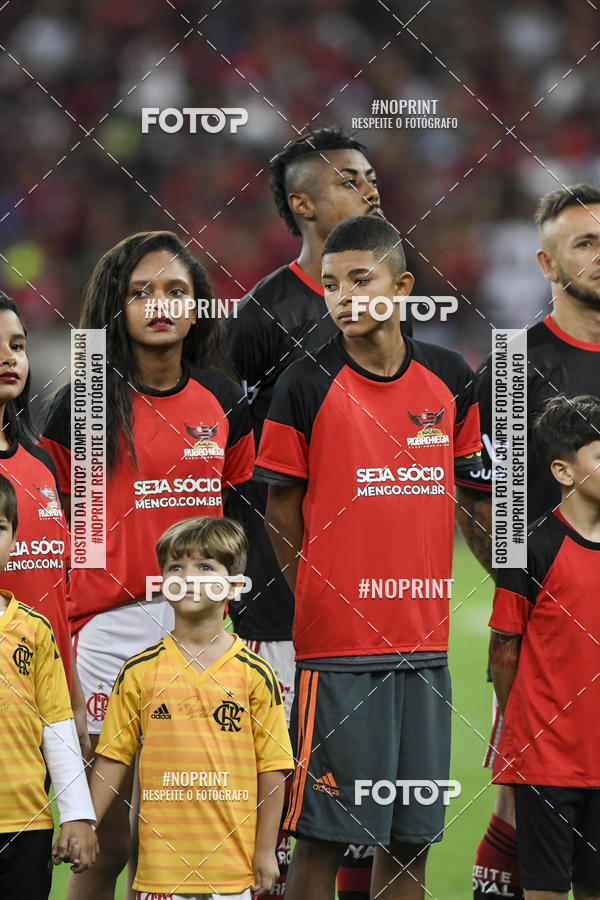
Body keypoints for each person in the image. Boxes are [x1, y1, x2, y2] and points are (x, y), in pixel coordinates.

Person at [255, 214, 482, 899]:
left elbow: (474, 498)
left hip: (426, 647)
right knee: (323, 838)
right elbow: (281, 512)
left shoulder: (450, 376)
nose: (345, 297)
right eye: (331, 285)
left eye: (361, 280)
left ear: (402, 287)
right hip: (339, 651)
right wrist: (320, 594)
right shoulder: (304, 383)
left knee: (411, 840)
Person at [39, 231, 255, 899]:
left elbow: (241, 521)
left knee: (175, 833)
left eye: (175, 291)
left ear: (197, 307)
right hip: (106, 634)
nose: (160, 305)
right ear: (117, 305)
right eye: (141, 292)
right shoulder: (81, 404)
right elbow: (52, 529)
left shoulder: (225, 398)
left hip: (200, 632)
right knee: (109, 841)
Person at [225, 125, 410, 899]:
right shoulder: (262, 315)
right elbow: (231, 456)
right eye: (348, 180)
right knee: (284, 791)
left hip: (372, 588)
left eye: (370, 176)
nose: (370, 188)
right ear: (303, 205)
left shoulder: (392, 303)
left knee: (368, 795)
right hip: (282, 595)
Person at [457, 184, 600, 900]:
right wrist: (527, 596)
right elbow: (485, 500)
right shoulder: (515, 369)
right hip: (549, 632)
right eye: (585, 243)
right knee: (524, 794)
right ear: (546, 264)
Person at [90, 515, 294, 899]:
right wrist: (84, 823)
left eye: (205, 567)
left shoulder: (255, 674)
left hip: (231, 873)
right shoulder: (139, 671)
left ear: (234, 584)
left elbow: (272, 769)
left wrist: (265, 850)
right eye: (175, 568)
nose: (188, 577)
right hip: (160, 873)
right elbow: (113, 757)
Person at [489, 394, 600, 900]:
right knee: (546, 892)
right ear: (563, 470)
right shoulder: (529, 548)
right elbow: (504, 647)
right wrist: (526, 732)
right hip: (547, 761)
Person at [0, 474, 97, 899]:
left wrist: (76, 814)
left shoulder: (35, 630)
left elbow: (57, 725)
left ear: (14, 539)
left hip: (26, 825)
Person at [0, 291, 88, 752]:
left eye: (17, 345)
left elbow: (57, 596)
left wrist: (73, 699)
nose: (8, 358)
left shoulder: (41, 463)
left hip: (52, 694)